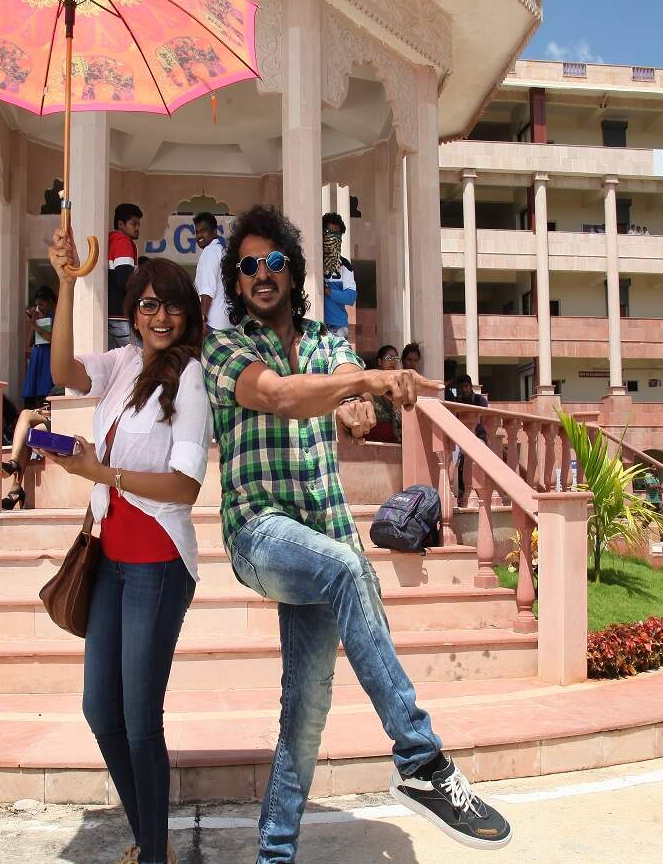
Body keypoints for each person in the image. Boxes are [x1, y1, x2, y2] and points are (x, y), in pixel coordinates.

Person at [201, 205, 511, 862]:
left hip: (325, 537)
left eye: (274, 261)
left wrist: (357, 405)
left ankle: (273, 857)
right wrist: (366, 381)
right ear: (236, 280)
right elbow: (281, 395)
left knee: (305, 715)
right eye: (248, 265)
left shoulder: (328, 341)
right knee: (347, 568)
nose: (261, 274)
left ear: (293, 271)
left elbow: (345, 394)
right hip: (260, 535)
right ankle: (422, 760)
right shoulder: (225, 348)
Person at [46, 225, 212, 864]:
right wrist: (66, 282)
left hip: (158, 564)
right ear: (133, 313)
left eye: (172, 306)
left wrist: (102, 472)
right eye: (148, 305)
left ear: (187, 314)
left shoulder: (189, 378)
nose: (160, 317)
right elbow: (62, 370)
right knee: (100, 710)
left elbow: (184, 486)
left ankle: (154, 851)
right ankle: (149, 839)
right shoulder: (120, 366)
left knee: (141, 720)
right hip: (111, 560)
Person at [1, 404, 50, 510]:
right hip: (53, 415)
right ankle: (13, 469)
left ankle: (15, 487)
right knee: (25, 416)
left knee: (27, 419)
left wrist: (48, 412)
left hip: (62, 417)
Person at [109, 203, 143, 349]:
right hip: (121, 316)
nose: (137, 227)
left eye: (139, 224)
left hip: (109, 314)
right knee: (138, 357)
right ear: (120, 224)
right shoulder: (123, 242)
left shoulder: (110, 241)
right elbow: (126, 280)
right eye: (133, 223)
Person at [451, 373, 489, 502]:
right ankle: (454, 492)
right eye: (461, 387)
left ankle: (477, 491)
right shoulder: (457, 402)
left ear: (471, 386)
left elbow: (484, 421)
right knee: (453, 453)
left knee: (480, 453)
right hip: (460, 437)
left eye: (466, 386)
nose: (464, 389)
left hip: (477, 436)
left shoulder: (480, 401)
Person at [192, 211, 230, 331]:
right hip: (226, 321)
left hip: (212, 322)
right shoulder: (221, 251)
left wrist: (202, 318)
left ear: (214, 232)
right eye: (197, 232)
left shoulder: (210, 252)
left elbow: (207, 290)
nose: (199, 235)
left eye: (203, 231)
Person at [22, 285, 58, 410]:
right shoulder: (38, 319)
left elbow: (51, 338)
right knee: (34, 389)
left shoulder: (55, 318)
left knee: (45, 386)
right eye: (37, 305)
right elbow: (28, 342)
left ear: (50, 302)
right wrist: (34, 322)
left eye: (41, 305)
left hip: (48, 354)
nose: (39, 308)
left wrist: (35, 325)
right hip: (37, 354)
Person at [322, 212, 356, 341]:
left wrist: (329, 291)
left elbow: (351, 297)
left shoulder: (345, 265)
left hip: (338, 327)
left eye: (337, 235)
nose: (333, 238)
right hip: (314, 323)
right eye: (330, 233)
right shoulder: (312, 262)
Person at [366, 345, 402, 443]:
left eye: (395, 359)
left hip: (395, 442)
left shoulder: (399, 386)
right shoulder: (370, 384)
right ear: (379, 361)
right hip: (373, 442)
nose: (393, 361)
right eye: (389, 358)